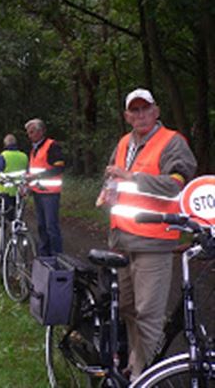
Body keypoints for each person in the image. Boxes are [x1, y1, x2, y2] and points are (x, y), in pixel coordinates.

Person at [100, 88, 197, 380]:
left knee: (149, 315)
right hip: (121, 240)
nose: (140, 115)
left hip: (153, 243)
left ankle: (149, 377)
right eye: (134, 110)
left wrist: (133, 179)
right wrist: (107, 190)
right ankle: (136, 364)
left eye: (145, 109)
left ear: (156, 111)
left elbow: (176, 183)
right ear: (127, 115)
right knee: (127, 308)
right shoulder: (124, 142)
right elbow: (115, 177)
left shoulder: (172, 142)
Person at [24, 118, 65, 256]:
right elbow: (32, 170)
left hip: (50, 193)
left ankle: (57, 256)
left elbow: (58, 168)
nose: (29, 136)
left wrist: (37, 177)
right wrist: (28, 185)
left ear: (40, 131)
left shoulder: (52, 146)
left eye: (32, 132)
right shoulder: (34, 149)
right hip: (37, 192)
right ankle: (43, 255)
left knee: (51, 226)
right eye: (28, 133)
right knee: (41, 226)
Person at [0, 134, 28, 214]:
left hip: (6, 191)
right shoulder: (24, 156)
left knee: (3, 214)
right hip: (20, 190)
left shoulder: (4, 155)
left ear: (5, 144)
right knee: (17, 213)